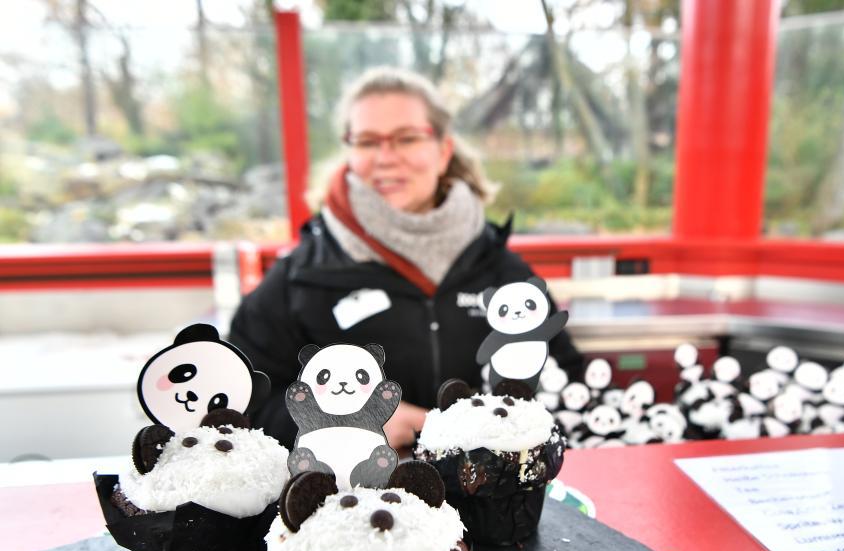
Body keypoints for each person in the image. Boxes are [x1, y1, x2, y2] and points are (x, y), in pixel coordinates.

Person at [229, 66, 582, 449]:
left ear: (443, 150)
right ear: (349, 151)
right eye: (366, 141)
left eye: (406, 138)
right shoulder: (301, 276)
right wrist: (344, 423)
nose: (385, 157)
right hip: (350, 501)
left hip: (487, 501)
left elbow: (567, 384)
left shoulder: (502, 270)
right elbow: (243, 400)